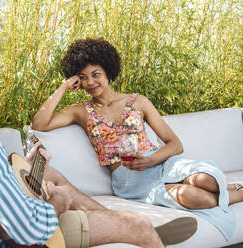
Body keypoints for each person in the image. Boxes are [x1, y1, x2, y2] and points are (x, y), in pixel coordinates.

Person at [0, 9, 191, 248]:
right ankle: (130, 226)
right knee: (138, 224)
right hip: (23, 239)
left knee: (46, 173)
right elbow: (28, 230)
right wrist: (57, 202)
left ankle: (112, 219)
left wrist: (21, 169)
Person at [32, 38, 243, 242]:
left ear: (108, 71)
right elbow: (39, 124)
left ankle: (234, 188)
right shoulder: (81, 111)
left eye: (96, 74)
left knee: (207, 180)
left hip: (160, 162)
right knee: (198, 198)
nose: (90, 82)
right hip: (130, 179)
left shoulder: (137, 101)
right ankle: (239, 192)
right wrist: (63, 87)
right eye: (83, 77)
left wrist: (151, 160)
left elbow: (175, 144)